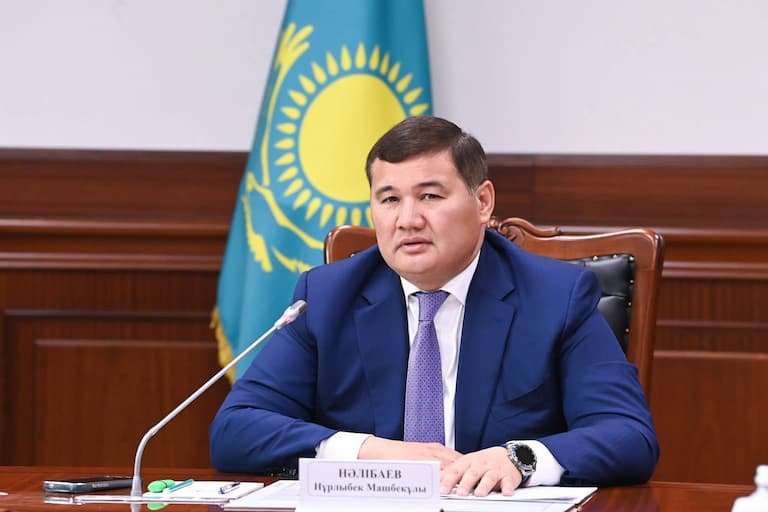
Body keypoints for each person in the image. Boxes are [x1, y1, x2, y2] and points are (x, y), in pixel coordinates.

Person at [209, 116, 659, 496]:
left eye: (429, 196)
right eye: (390, 199)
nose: (407, 220)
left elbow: (628, 436)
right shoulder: (328, 296)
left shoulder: (555, 296)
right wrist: (371, 452)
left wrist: (519, 458)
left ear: (482, 202)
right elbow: (236, 430)